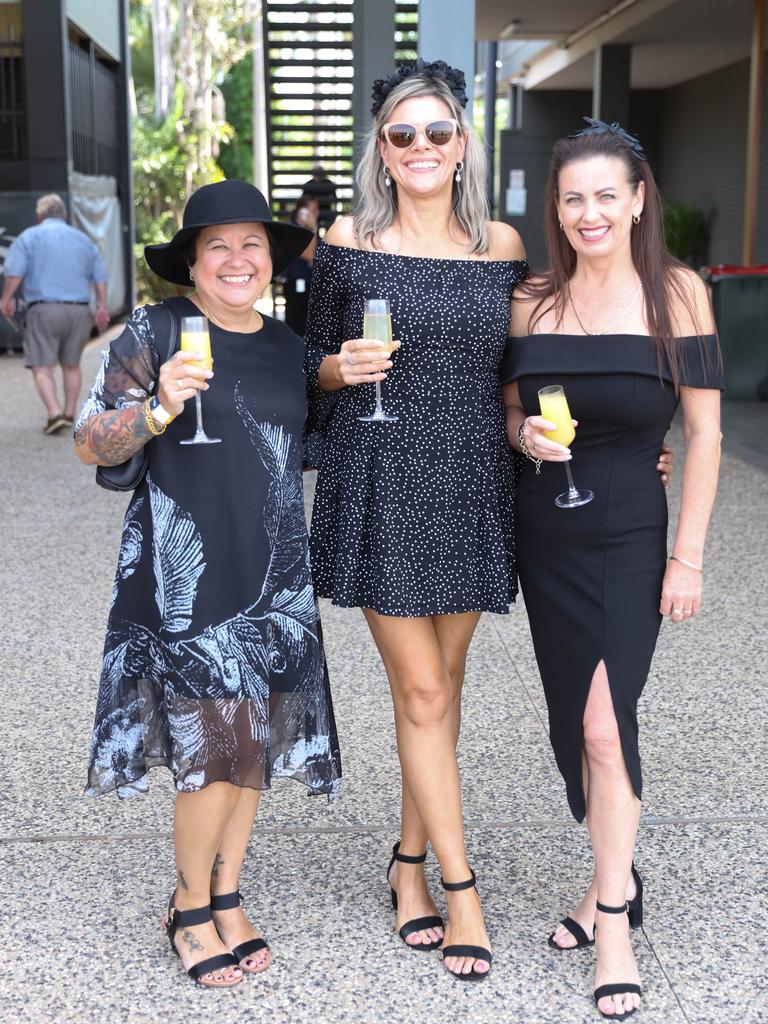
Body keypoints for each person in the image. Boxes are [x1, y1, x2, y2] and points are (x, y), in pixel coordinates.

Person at [74, 180, 341, 989]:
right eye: (217, 245)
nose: (236, 258)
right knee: (212, 746)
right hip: (184, 571)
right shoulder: (154, 331)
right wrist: (155, 408)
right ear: (191, 260)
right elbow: (91, 440)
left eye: (251, 244)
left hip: (272, 573)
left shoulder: (287, 346)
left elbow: (313, 433)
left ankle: (227, 892)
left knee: (251, 736)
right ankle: (189, 904)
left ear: (270, 260)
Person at [304, 59, 528, 981]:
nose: (422, 148)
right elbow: (305, 364)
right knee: (426, 692)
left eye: (438, 132)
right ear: (382, 151)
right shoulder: (349, 240)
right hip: (382, 473)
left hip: (474, 475)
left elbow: (527, 368)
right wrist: (335, 370)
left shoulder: (504, 245)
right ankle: (458, 887)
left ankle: (406, 863)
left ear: (464, 143)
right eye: (404, 134)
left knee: (443, 682)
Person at [502, 120, 722, 1020]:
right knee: (576, 726)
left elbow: (704, 433)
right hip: (547, 534)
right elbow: (508, 411)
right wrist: (523, 435)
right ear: (556, 209)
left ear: (637, 200)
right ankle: (609, 871)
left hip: (633, 532)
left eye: (606, 195)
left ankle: (615, 917)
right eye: (572, 199)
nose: (589, 212)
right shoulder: (534, 302)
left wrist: (689, 558)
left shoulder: (680, 294)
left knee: (603, 724)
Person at [1, 193, 109, 435]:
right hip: (80, 311)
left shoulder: (30, 236)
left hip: (44, 309)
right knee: (72, 365)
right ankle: (70, 414)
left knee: (42, 366)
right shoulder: (84, 240)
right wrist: (101, 307)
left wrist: (6, 299)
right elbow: (100, 277)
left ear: (40, 215)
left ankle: (54, 413)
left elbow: (15, 273)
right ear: (65, 215)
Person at [282, 194, 319, 335]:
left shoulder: (307, 231)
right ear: (301, 211)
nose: (316, 214)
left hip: (308, 281)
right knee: (296, 322)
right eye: (313, 210)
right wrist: (313, 228)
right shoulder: (294, 230)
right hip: (295, 281)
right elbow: (309, 255)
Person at [301, 164, 337, 230]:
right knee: (313, 229)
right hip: (313, 211)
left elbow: (334, 198)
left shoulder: (328, 183)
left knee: (330, 227)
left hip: (326, 210)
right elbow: (304, 199)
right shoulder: (309, 184)